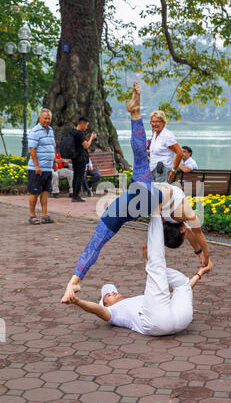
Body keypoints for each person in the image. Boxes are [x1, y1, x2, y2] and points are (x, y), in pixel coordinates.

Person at [61, 83, 210, 303]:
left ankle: (75, 279)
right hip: (130, 207)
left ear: (180, 230)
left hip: (140, 195)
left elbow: (195, 230)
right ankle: (74, 280)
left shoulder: (181, 210)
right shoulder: (173, 218)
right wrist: (203, 258)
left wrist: (206, 254)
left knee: (140, 158)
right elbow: (192, 234)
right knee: (96, 242)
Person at [61, 215, 213, 336]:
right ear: (105, 303)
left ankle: (151, 264)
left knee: (181, 283)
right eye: (108, 294)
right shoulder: (113, 313)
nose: (113, 292)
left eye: (112, 290)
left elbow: (176, 294)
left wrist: (200, 273)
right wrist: (78, 302)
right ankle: (156, 217)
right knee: (156, 268)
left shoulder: (139, 300)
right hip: (156, 323)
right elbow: (98, 311)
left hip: (181, 320)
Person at [27, 108, 57, 225]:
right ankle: (32, 215)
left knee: (45, 192)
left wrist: (54, 162)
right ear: (40, 118)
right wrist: (36, 165)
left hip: (48, 168)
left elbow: (52, 146)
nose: (47, 120)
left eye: (49, 118)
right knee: (34, 192)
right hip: (37, 169)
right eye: (45, 118)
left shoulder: (51, 130)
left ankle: (45, 215)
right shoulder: (35, 131)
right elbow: (32, 149)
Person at [149, 110, 182, 183]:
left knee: (162, 193)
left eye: (157, 121)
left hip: (163, 171)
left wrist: (173, 171)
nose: (154, 124)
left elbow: (180, 153)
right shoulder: (155, 133)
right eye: (153, 122)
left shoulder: (167, 136)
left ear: (163, 122)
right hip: (153, 170)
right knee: (153, 193)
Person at [70, 117, 97, 202]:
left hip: (74, 157)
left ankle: (74, 195)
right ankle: (76, 196)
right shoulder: (80, 133)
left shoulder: (73, 132)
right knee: (79, 177)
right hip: (80, 158)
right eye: (86, 125)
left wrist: (86, 137)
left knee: (75, 176)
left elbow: (79, 142)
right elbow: (86, 146)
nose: (86, 127)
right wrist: (91, 138)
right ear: (82, 124)